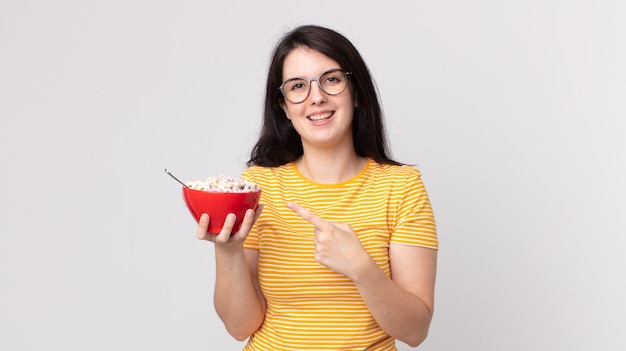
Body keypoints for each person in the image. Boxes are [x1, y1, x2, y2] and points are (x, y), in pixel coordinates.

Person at [196, 24, 438, 351]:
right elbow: (240, 326)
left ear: (356, 92)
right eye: (298, 86)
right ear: (284, 107)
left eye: (332, 80)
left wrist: (362, 269)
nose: (317, 97)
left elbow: (415, 330)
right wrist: (227, 251)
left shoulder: (401, 187)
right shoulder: (258, 187)